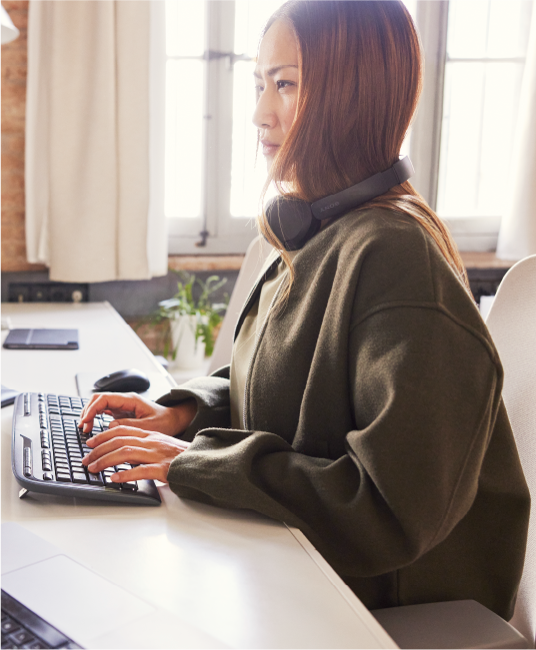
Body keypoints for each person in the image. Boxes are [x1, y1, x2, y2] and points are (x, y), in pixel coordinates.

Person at [79, 0, 529, 618]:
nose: (260, 113)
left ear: (353, 95)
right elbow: (277, 384)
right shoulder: (315, 231)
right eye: (260, 83)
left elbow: (388, 511)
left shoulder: (397, 260)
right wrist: (183, 413)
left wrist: (198, 462)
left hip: (384, 610)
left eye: (285, 84)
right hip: (292, 566)